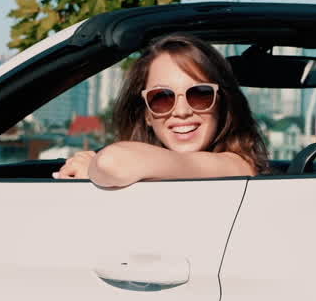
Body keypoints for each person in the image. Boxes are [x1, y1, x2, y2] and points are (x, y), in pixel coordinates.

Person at [54, 34, 269, 187]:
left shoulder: (236, 165)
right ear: (147, 113)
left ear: (222, 104)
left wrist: (91, 167)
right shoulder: (146, 174)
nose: (182, 111)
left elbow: (112, 162)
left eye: (200, 94)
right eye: (162, 98)